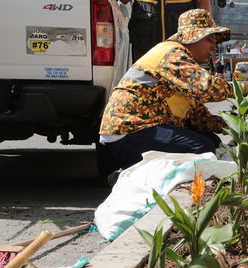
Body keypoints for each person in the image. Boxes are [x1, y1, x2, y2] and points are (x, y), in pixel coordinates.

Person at [99, 9, 233, 172]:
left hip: (140, 129)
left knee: (212, 141)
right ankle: (132, 174)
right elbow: (207, 88)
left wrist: (236, 125)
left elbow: (200, 120)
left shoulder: (185, 68)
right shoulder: (172, 53)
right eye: (210, 40)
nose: (214, 47)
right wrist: (244, 89)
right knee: (202, 148)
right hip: (129, 130)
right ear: (193, 37)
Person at [121, 0, 212, 62]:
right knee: (144, 82)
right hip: (144, 39)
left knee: (182, 83)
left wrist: (205, 34)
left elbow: (203, 3)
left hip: (181, 41)